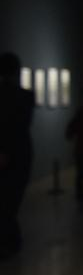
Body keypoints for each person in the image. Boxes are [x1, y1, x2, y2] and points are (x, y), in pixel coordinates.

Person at [0, 52, 34, 258]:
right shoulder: (26, 96)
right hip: (21, 152)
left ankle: (9, 240)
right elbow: (20, 126)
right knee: (11, 199)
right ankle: (10, 240)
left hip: (11, 152)